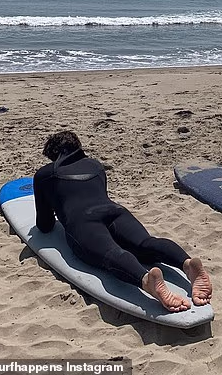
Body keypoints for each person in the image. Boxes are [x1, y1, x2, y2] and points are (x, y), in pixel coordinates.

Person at [33, 131, 212, 313]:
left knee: (110, 252)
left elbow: (45, 225)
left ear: (54, 154)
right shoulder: (95, 166)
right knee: (145, 243)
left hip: (83, 221)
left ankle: (146, 280)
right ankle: (188, 264)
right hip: (115, 212)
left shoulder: (45, 175)